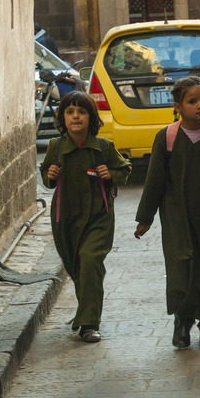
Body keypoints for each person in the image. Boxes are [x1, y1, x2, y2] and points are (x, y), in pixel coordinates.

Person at [135, 76, 200, 348]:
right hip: (176, 218)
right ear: (178, 106)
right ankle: (182, 322)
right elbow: (154, 181)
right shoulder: (166, 138)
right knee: (181, 268)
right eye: (192, 101)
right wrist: (145, 218)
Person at [39, 91, 132, 343]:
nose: (76, 116)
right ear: (63, 118)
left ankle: (89, 324)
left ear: (91, 118)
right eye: (70, 112)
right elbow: (46, 174)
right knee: (78, 267)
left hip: (98, 218)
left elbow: (124, 169)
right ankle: (86, 313)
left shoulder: (104, 147)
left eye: (82, 111)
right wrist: (51, 173)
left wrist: (109, 173)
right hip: (65, 219)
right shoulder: (56, 147)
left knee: (90, 260)